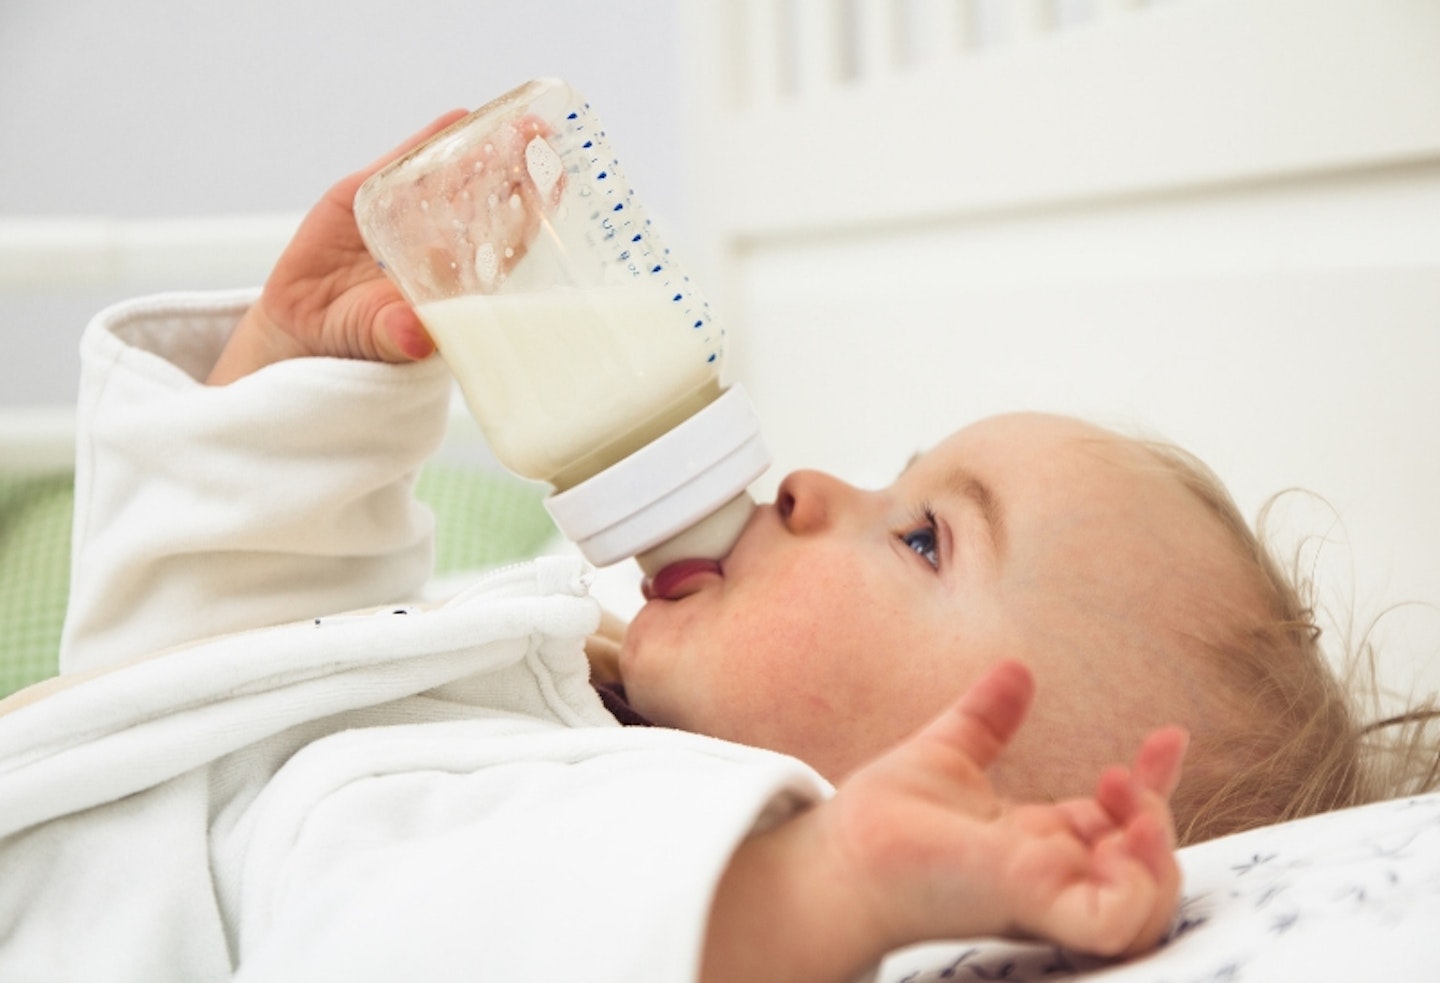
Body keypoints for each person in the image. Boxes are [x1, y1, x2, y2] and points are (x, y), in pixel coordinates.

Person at [0, 111, 1427, 983]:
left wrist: (833, 890)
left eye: (923, 535)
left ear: (957, 808)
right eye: (895, 484)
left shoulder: (648, 845)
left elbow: (498, 953)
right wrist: (287, 385)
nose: (810, 484)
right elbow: (205, 700)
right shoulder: (567, 678)